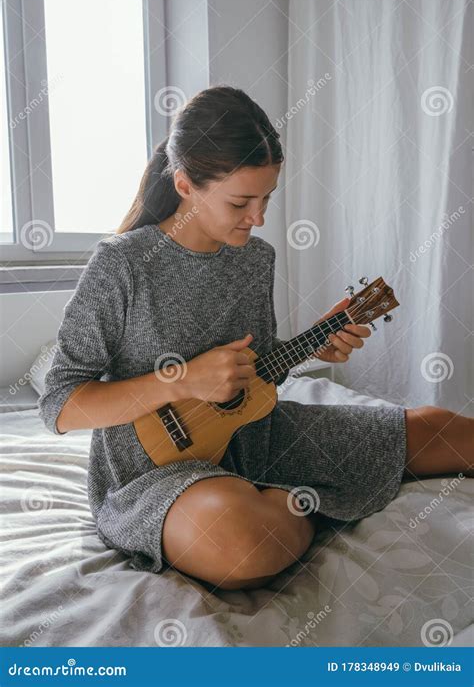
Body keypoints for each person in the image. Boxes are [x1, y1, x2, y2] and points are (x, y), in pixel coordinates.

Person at [38, 85, 474, 592]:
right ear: (185, 185)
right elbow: (59, 404)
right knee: (246, 543)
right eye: (242, 201)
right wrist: (180, 381)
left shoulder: (254, 258)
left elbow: (253, 378)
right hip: (153, 473)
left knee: (443, 430)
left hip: (255, 441)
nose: (259, 217)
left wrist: (315, 343)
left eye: (267, 197)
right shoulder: (121, 264)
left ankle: (279, 494)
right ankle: (301, 502)